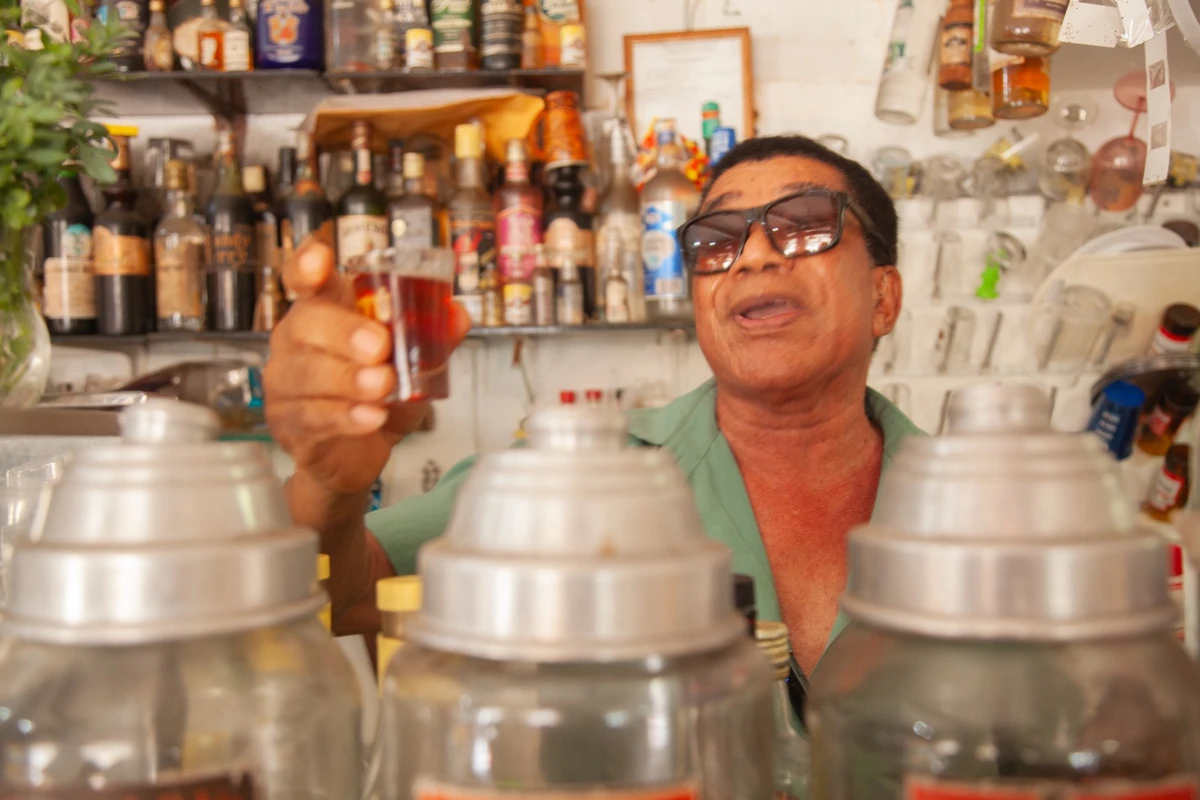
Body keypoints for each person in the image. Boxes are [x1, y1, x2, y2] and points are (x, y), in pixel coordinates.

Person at [265, 135, 918, 676]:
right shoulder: (569, 474)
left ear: (884, 297)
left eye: (804, 226)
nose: (751, 255)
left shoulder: (993, 500)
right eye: (717, 239)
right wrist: (329, 481)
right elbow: (342, 593)